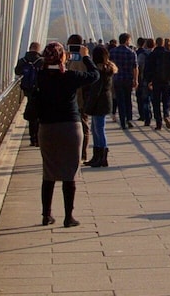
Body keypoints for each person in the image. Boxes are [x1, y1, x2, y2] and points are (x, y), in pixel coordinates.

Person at [25, 42, 99, 228]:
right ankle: (68, 217)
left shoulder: (40, 76)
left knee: (48, 172)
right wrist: (85, 56)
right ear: (62, 57)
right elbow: (95, 75)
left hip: (47, 127)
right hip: (70, 127)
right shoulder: (70, 76)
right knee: (69, 172)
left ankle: (46, 215)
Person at [80, 45, 117, 168]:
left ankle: (102, 156)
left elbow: (95, 91)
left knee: (99, 129)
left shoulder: (100, 71)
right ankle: (97, 156)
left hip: (99, 103)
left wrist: (88, 106)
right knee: (96, 129)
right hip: (104, 102)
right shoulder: (107, 68)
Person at [14, 41, 44, 146]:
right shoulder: (41, 60)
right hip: (39, 90)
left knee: (32, 115)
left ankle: (32, 138)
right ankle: (38, 138)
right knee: (39, 114)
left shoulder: (23, 60)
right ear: (38, 49)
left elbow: (17, 72)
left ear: (30, 48)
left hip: (28, 90)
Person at [143, 38, 170, 130]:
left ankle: (159, 122)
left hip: (156, 81)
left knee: (156, 102)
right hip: (167, 81)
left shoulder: (152, 54)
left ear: (156, 44)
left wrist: (148, 81)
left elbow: (148, 69)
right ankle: (166, 114)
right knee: (166, 100)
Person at [108, 33, 140, 129]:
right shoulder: (132, 52)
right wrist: (136, 80)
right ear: (126, 41)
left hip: (117, 79)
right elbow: (135, 68)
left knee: (120, 100)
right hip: (128, 79)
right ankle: (129, 119)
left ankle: (122, 121)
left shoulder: (113, 52)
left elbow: (109, 65)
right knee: (128, 99)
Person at [135, 38, 155, 126]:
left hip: (145, 80)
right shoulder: (156, 54)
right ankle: (158, 119)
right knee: (155, 100)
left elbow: (138, 67)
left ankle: (147, 118)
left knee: (145, 100)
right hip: (155, 80)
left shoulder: (142, 55)